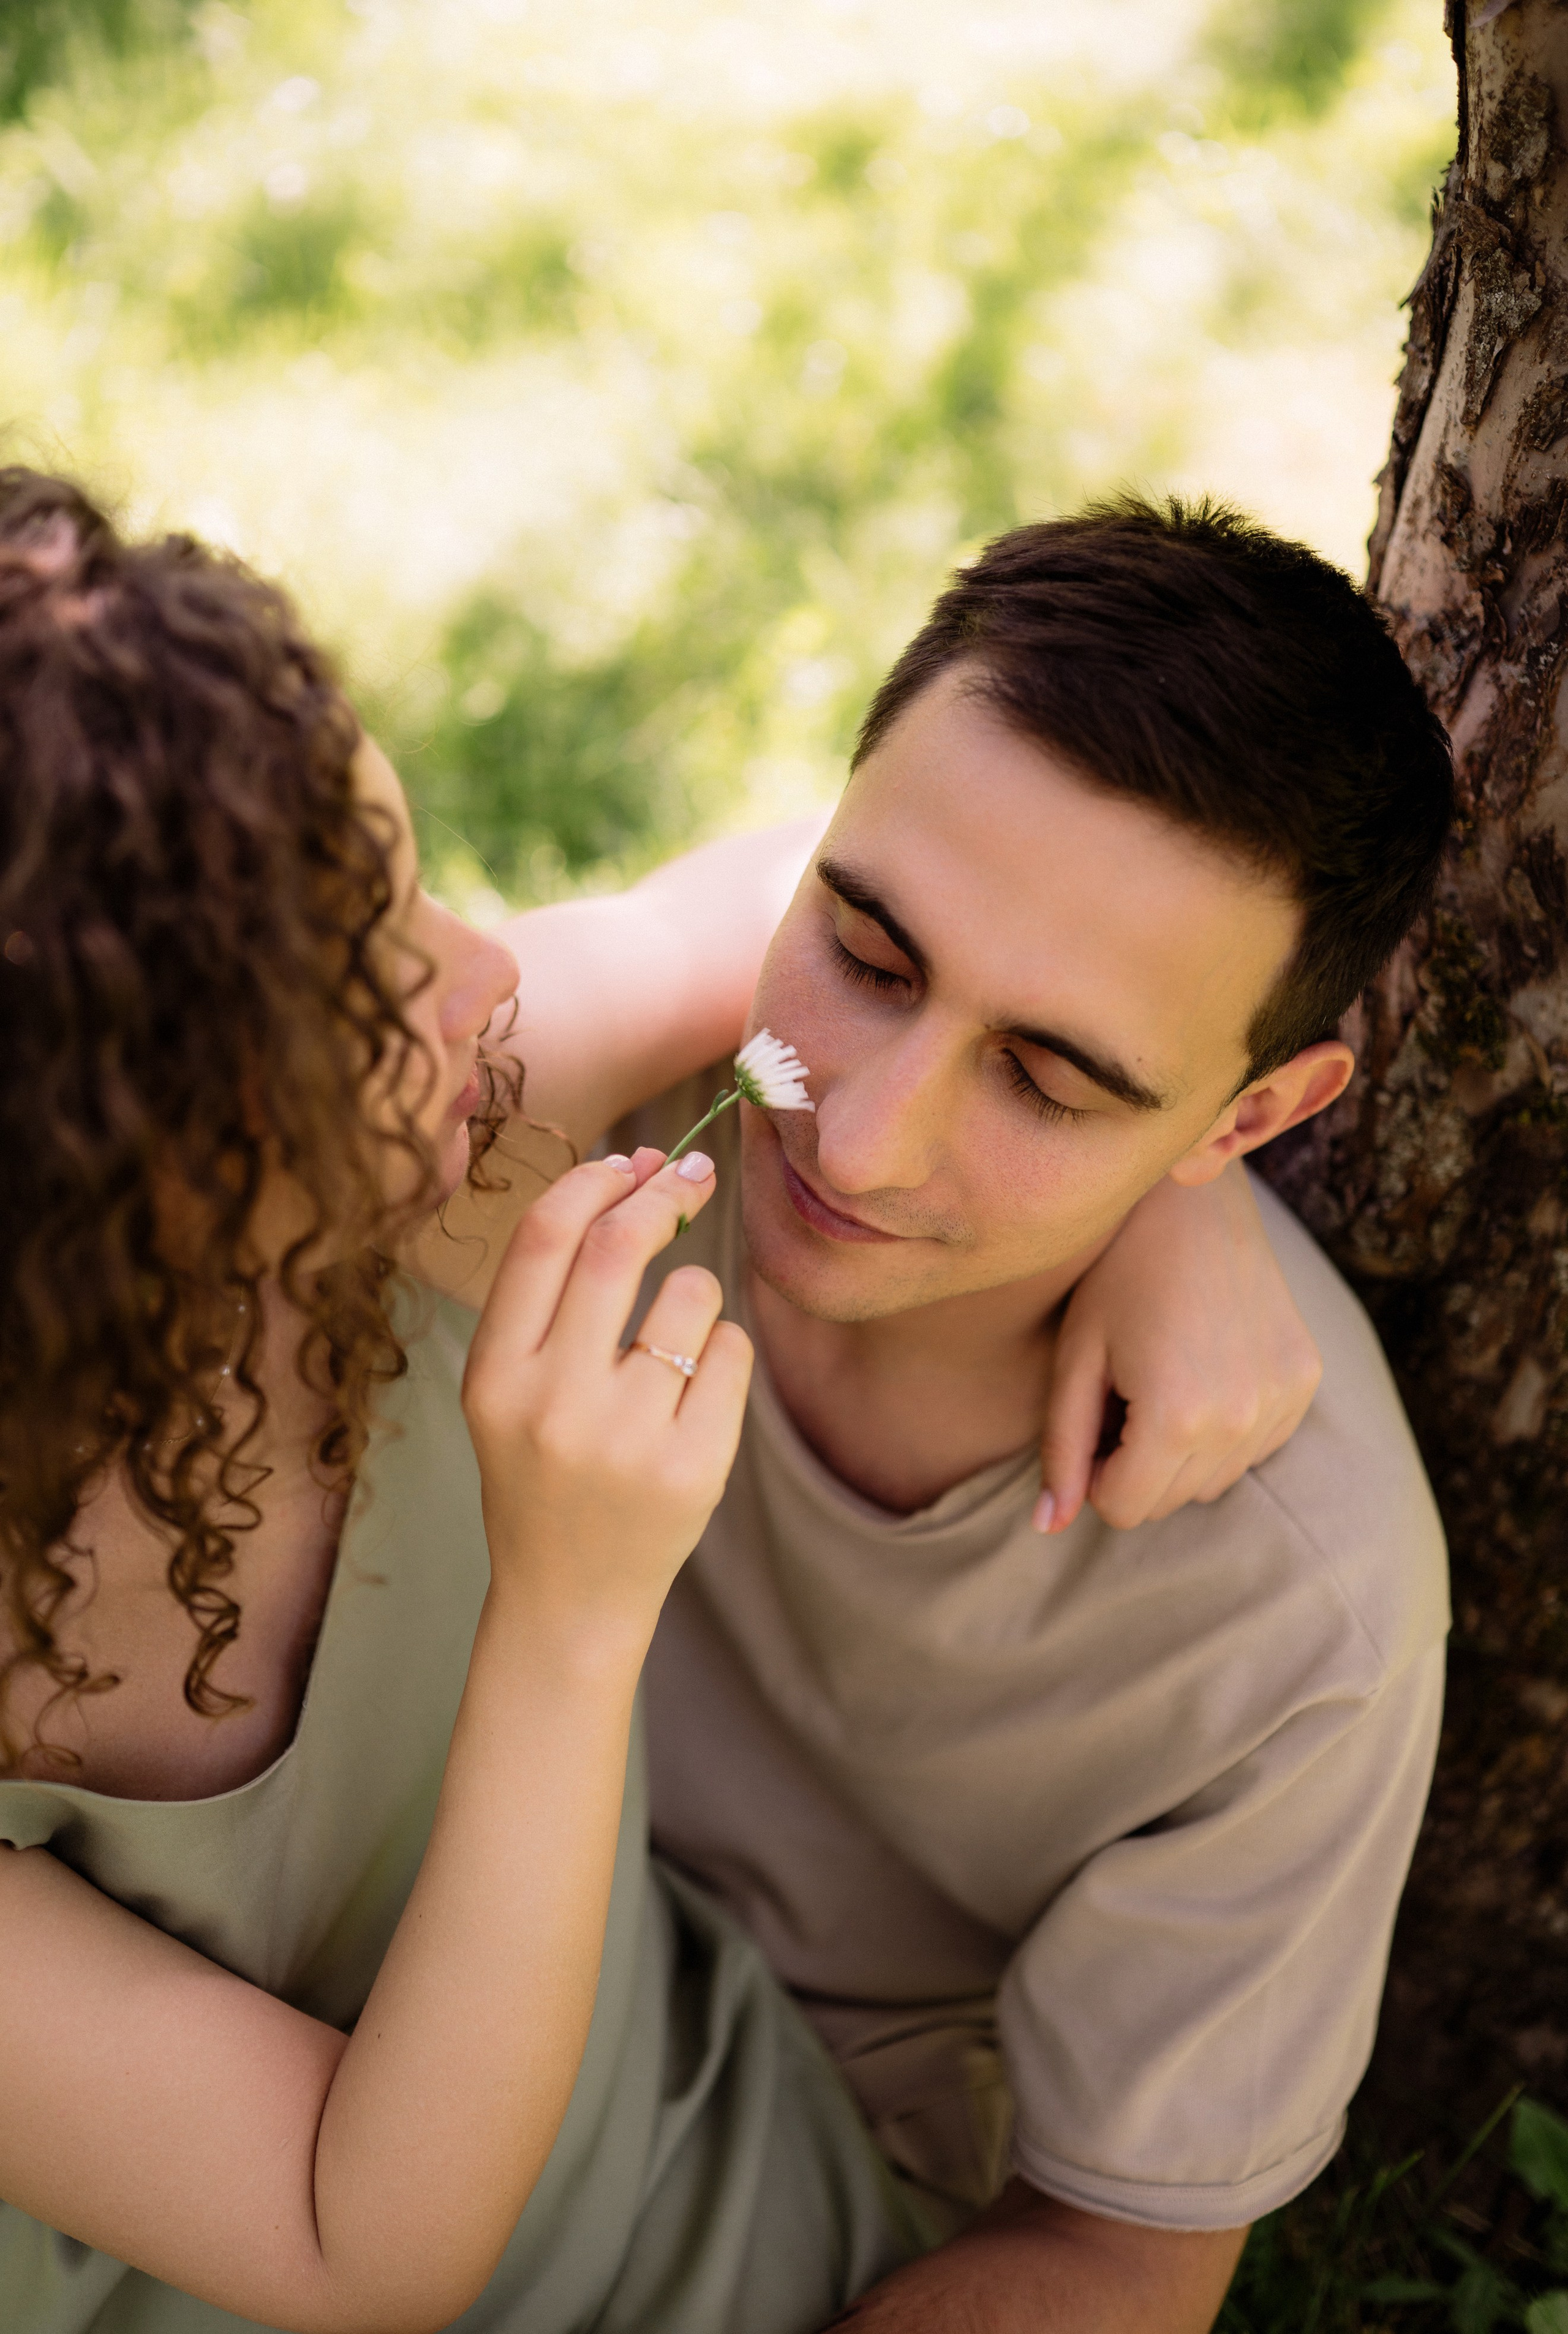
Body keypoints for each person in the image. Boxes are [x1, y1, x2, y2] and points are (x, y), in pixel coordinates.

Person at [0, 469, 1318, 2334]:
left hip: (679, 2226)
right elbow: (353, 2238)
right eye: (368, 971)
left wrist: (1183, 1188)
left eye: (411, 879)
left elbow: (868, 900)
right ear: (148, 1169)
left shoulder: (414, 1148)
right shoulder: (405, 1191)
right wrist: (569, 1610)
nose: (480, 973)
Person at [601, 500, 1454, 2332]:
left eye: (1052, 1081)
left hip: (760, 2137)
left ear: (1247, 1116)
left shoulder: (1303, 1610)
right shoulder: (658, 1079)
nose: (857, 1135)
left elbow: (1115, 2254)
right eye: (871, 951)